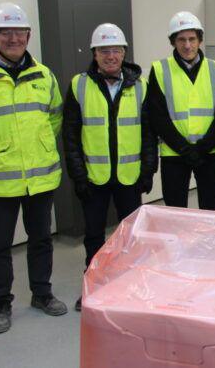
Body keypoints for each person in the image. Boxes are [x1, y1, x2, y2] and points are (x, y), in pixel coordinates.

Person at [0, 2, 67, 334]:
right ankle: (1, 304)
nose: (13, 38)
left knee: (41, 239)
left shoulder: (44, 75)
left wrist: (37, 149)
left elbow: (54, 117)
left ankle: (42, 294)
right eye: (5, 32)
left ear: (28, 35)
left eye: (19, 32)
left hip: (40, 177)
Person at [62, 23, 157, 312]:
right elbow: (70, 135)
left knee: (130, 235)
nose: (110, 56)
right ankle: (93, 285)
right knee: (94, 236)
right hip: (94, 178)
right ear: (94, 53)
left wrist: (148, 170)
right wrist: (78, 176)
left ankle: (127, 285)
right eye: (104, 51)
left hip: (129, 177)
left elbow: (148, 133)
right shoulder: (79, 85)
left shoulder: (139, 86)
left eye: (115, 50)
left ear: (124, 52)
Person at [147, 12, 215, 209]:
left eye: (192, 39)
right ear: (173, 42)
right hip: (174, 154)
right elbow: (158, 117)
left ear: (200, 40)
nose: (187, 45)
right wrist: (184, 148)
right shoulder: (160, 69)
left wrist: (204, 147)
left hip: (209, 152)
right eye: (181, 39)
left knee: (209, 209)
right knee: (175, 211)